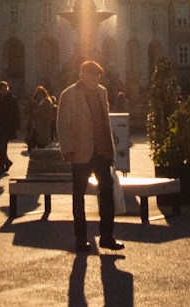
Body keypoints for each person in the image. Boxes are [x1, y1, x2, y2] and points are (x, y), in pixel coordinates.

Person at [58, 59, 122, 254]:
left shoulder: (102, 92)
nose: (94, 79)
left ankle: (107, 236)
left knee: (107, 193)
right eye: (91, 75)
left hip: (101, 152)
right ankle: (81, 239)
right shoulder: (69, 94)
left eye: (97, 76)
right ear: (82, 75)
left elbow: (105, 121)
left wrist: (110, 150)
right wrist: (67, 148)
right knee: (79, 196)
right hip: (80, 152)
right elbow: (62, 124)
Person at [0, 81, 21, 176]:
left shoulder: (12, 99)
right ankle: (7, 161)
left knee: (3, 147)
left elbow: (16, 113)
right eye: (2, 89)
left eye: (5, 89)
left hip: (7, 126)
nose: (4, 91)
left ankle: (0, 168)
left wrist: (17, 126)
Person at [25, 85, 58, 150]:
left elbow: (50, 115)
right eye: (37, 94)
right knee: (30, 147)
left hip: (42, 129)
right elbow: (25, 111)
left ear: (43, 94)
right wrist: (31, 103)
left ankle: (38, 159)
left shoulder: (47, 102)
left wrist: (39, 113)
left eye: (40, 94)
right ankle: (33, 159)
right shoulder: (34, 102)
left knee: (41, 148)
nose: (38, 96)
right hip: (33, 129)